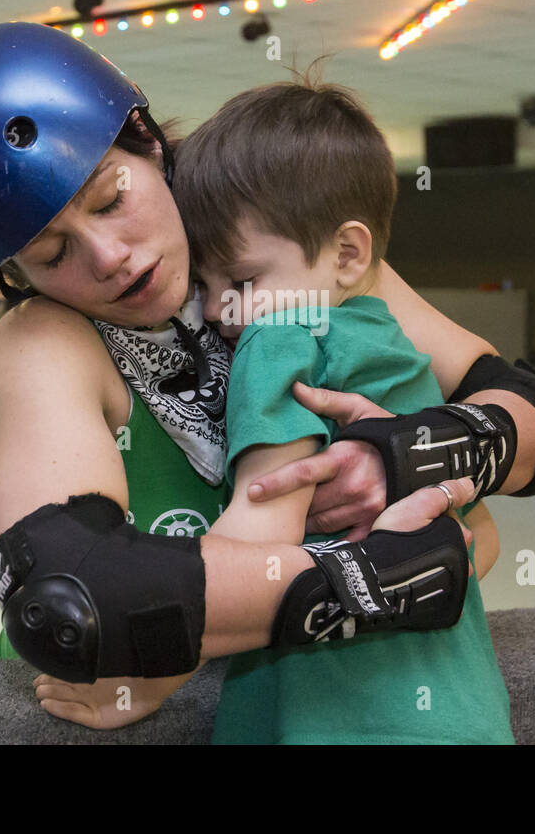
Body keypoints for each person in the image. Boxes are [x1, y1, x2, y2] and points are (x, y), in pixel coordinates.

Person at [0, 22, 535, 730]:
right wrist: (371, 582)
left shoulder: (267, 237)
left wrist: (403, 456)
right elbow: (71, 595)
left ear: (151, 145)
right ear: (14, 280)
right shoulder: (45, 338)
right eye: (51, 254)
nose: (108, 256)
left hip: (271, 702)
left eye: (111, 200)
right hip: (90, 717)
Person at [176, 76, 512, 743]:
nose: (217, 310)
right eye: (203, 286)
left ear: (348, 253)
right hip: (462, 713)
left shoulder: (279, 341)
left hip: (337, 723)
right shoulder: (393, 345)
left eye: (241, 282)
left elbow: (257, 532)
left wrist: (142, 657)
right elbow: (479, 540)